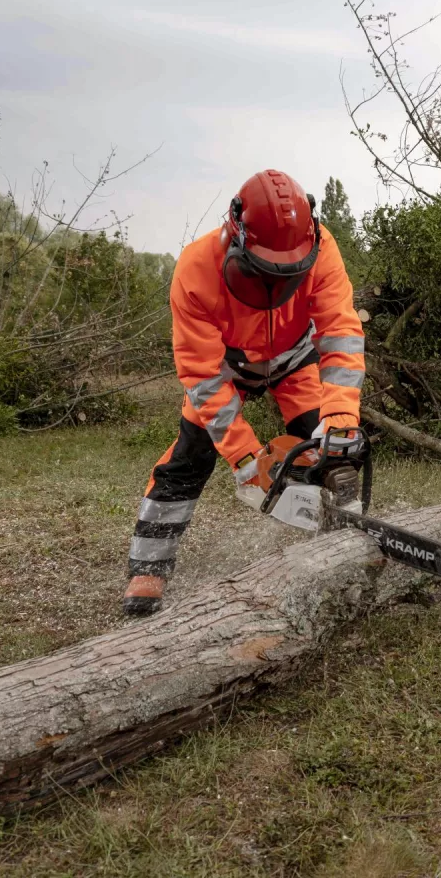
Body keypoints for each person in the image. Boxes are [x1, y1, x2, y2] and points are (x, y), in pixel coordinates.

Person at [122, 169, 366, 615]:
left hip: (293, 358)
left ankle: (345, 538)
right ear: (236, 236)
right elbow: (201, 375)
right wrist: (245, 457)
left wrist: (342, 417)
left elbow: (341, 334)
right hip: (226, 368)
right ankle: (149, 566)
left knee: (328, 446)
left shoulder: (322, 246)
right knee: (191, 455)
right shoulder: (196, 271)